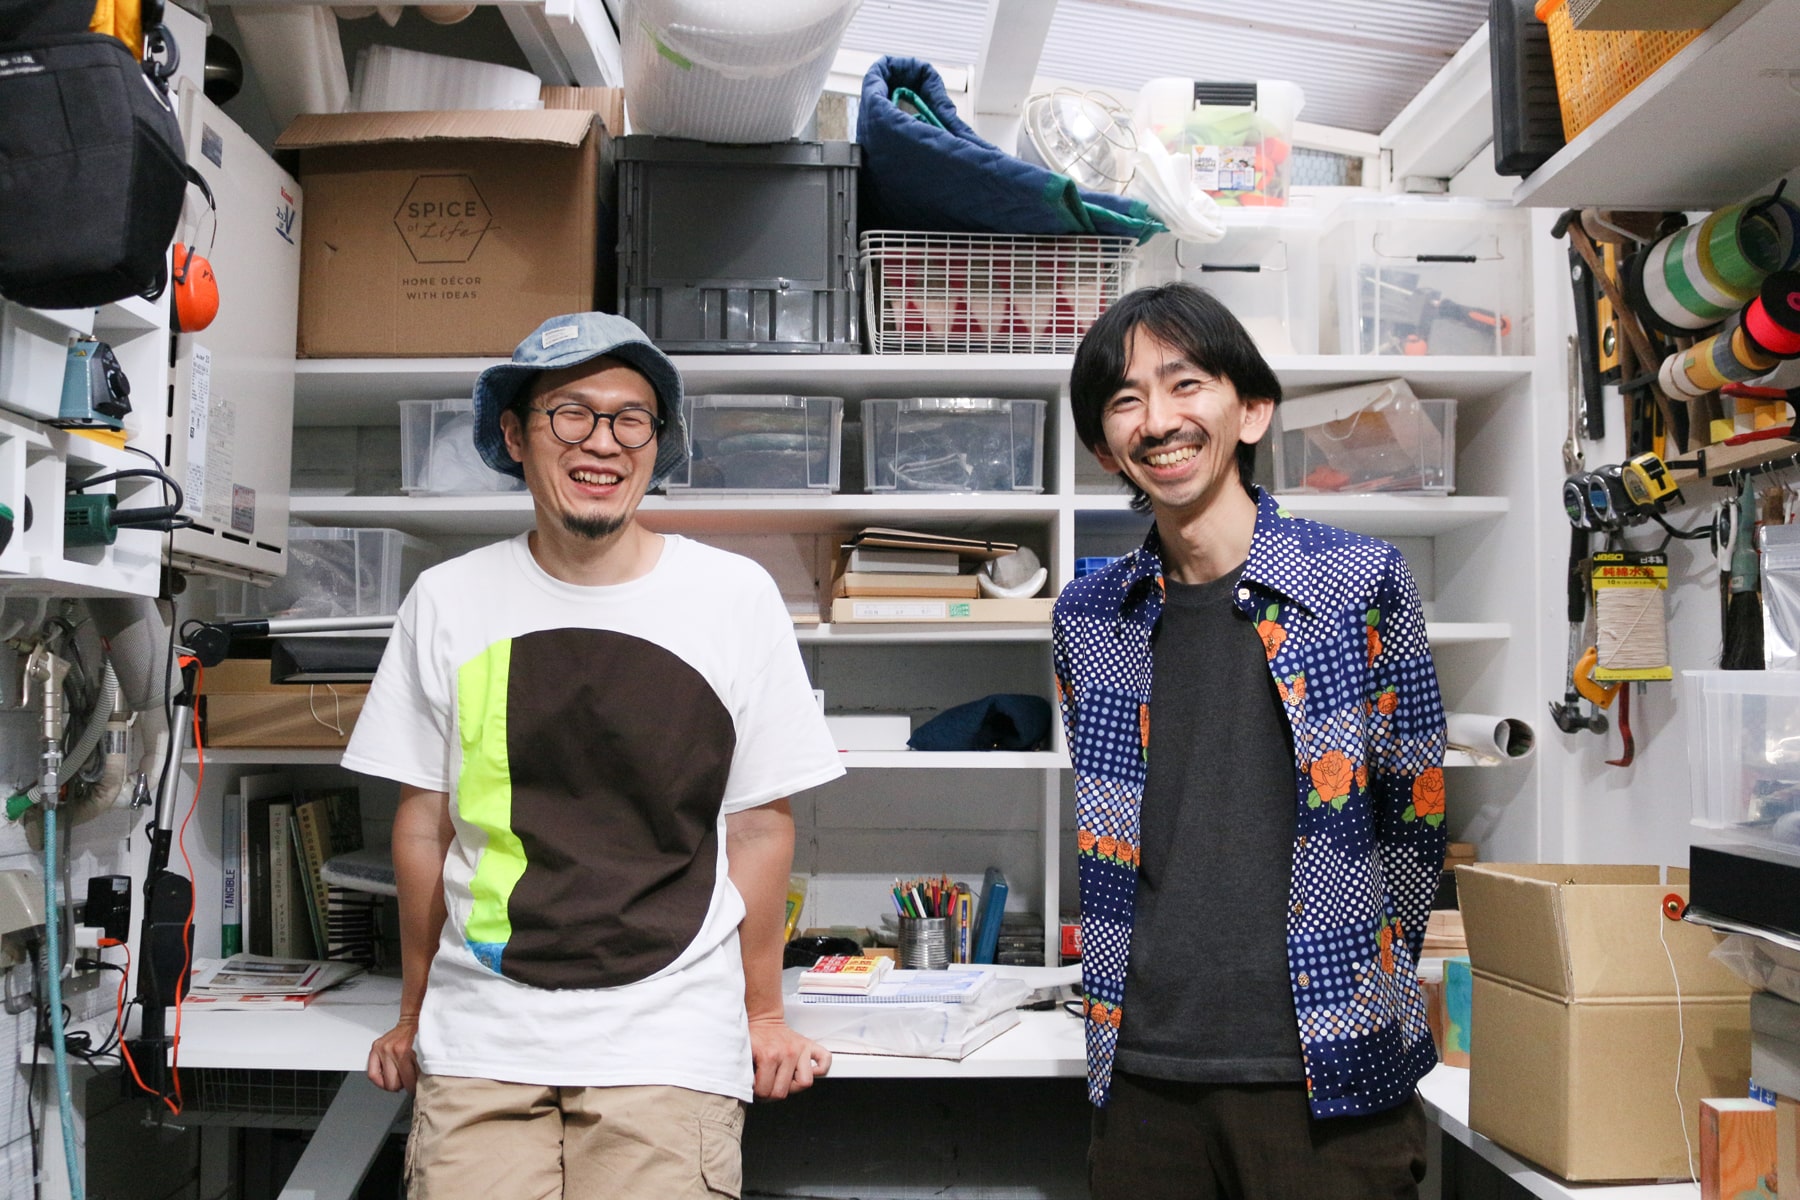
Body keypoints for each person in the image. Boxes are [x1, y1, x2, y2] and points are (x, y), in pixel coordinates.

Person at [345, 312, 845, 1199]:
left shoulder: (733, 597)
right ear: (514, 435)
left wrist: (764, 1013)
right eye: (571, 413)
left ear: (657, 443)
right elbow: (423, 829)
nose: (602, 442)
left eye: (630, 419)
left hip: (668, 1040)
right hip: (481, 1037)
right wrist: (414, 1012)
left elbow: (759, 827)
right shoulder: (446, 599)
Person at [1052, 283, 1448, 1199]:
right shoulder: (1089, 615)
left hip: (1329, 1075)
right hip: (1144, 1074)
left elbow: (1416, 814)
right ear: (1104, 447)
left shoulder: (1358, 585)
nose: (1158, 420)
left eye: (1185, 384)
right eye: (1125, 400)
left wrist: (1359, 975)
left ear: (1254, 410)